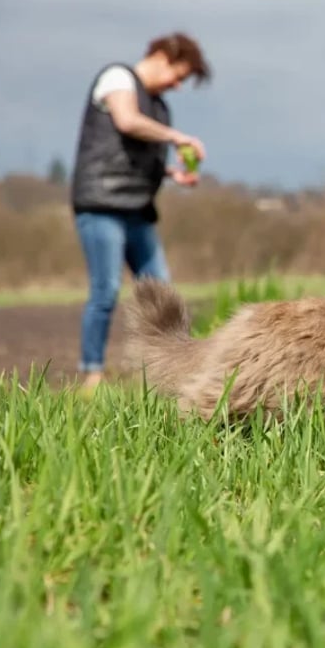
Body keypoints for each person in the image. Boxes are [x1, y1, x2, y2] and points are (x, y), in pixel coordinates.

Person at [69, 32, 211, 392]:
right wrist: (177, 137)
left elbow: (134, 157)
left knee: (161, 289)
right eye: (178, 76)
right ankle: (92, 374)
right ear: (163, 56)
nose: (177, 86)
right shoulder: (117, 78)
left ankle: (178, 369)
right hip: (101, 204)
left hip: (139, 209)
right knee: (106, 289)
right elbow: (126, 121)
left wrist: (171, 174)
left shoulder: (159, 106)